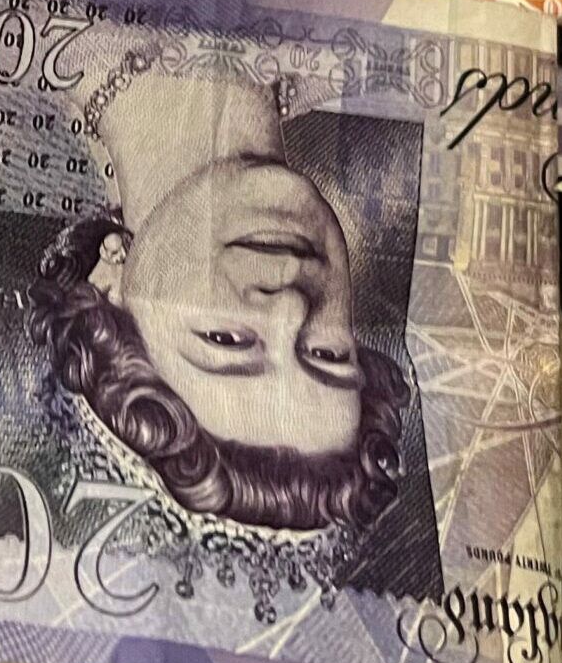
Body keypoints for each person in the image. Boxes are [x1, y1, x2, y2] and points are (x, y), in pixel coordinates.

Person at [30, 42, 410, 535]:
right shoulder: (373, 55)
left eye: (227, 340)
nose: (291, 309)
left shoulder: (35, 49)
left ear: (108, 291)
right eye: (328, 354)